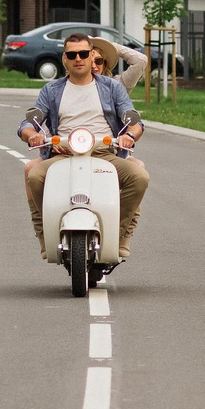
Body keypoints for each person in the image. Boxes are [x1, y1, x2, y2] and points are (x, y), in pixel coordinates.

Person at [19, 32, 151, 263]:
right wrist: (32, 134)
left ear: (92, 57)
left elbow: (132, 117)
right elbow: (31, 120)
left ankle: (119, 233)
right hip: (65, 152)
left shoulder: (112, 87)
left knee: (139, 176)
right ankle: (46, 233)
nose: (78, 59)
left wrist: (130, 134)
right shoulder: (51, 91)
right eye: (72, 54)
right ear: (64, 59)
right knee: (35, 175)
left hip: (104, 152)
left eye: (83, 54)